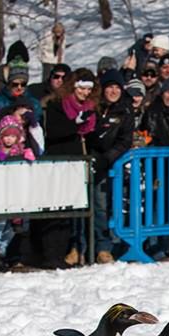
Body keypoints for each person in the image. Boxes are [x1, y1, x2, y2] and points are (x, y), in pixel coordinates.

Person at [39, 68, 98, 268]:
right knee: (56, 207)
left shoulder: (89, 107)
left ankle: (68, 252)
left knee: (72, 209)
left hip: (77, 161)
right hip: (58, 159)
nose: (85, 92)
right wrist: (75, 123)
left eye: (88, 89)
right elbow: (54, 132)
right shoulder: (57, 105)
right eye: (81, 88)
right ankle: (50, 254)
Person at [87, 69, 133, 264]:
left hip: (114, 164)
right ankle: (99, 245)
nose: (113, 91)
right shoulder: (94, 108)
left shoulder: (125, 111)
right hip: (93, 162)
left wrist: (108, 157)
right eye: (110, 87)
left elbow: (124, 141)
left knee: (113, 206)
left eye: (117, 87)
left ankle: (113, 244)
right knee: (98, 205)